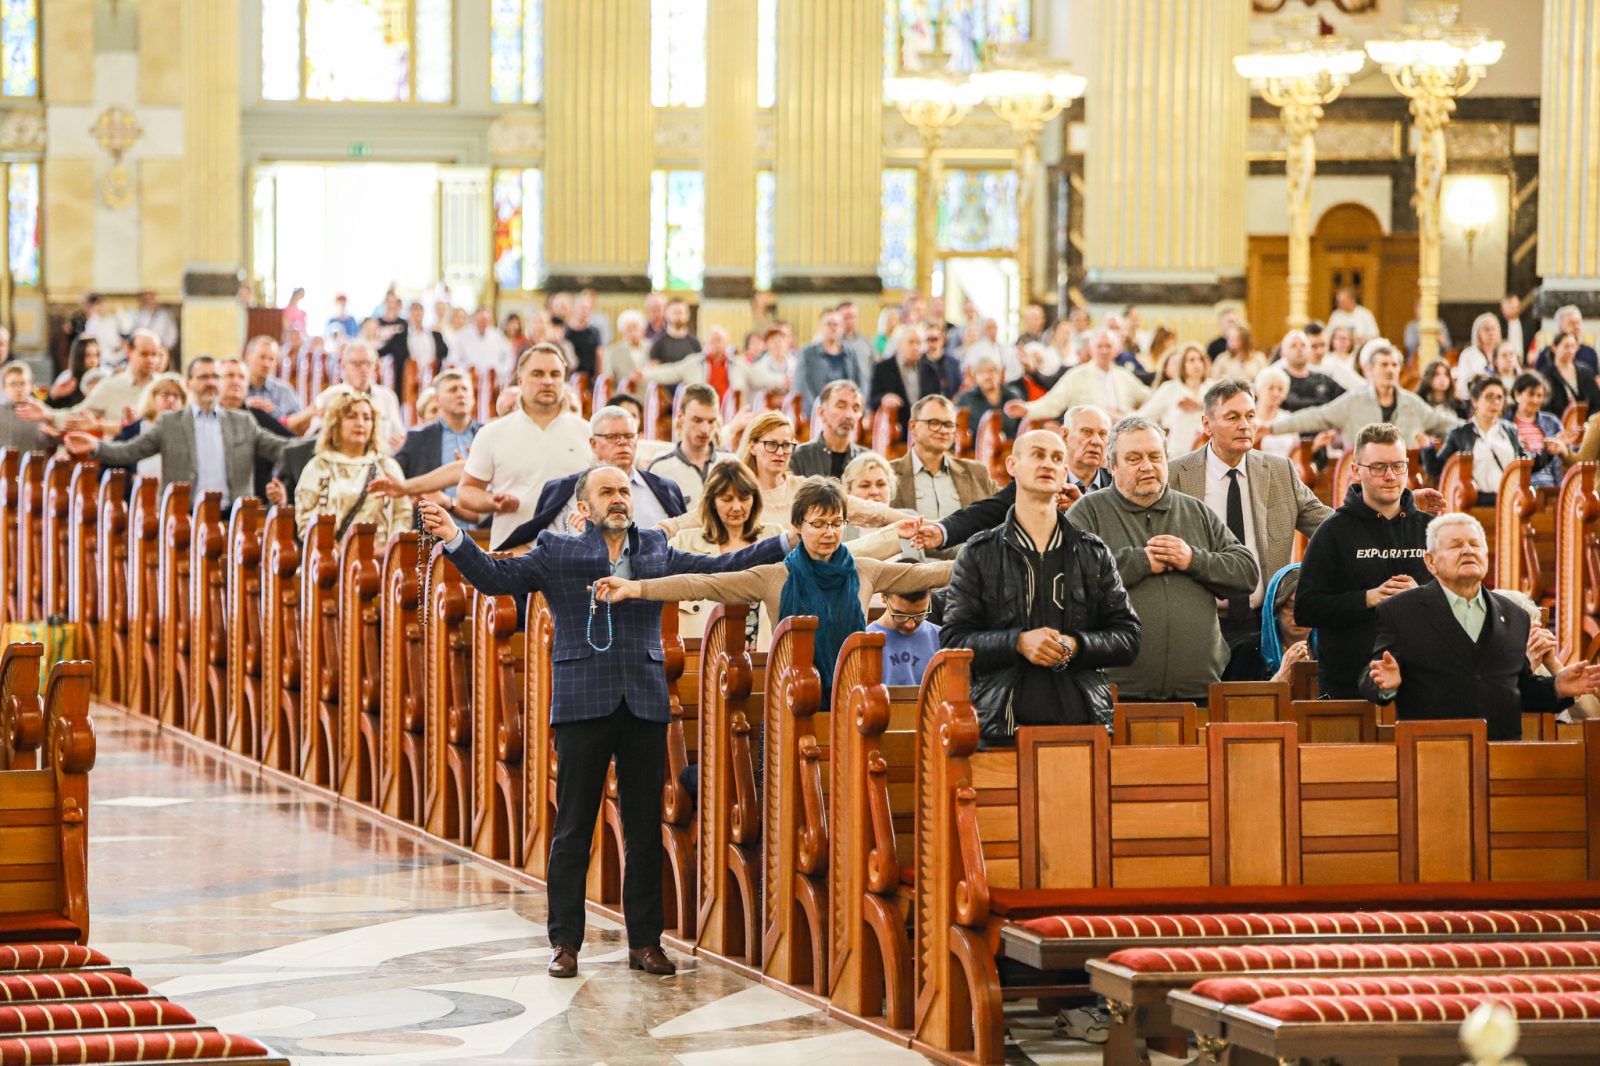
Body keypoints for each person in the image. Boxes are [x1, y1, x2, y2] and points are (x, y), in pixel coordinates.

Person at [418, 467, 792, 979]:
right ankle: (565, 943)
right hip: (582, 700)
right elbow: (495, 578)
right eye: (607, 492)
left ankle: (645, 943)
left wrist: (788, 540)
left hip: (643, 700)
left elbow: (721, 566)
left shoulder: (656, 552)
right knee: (573, 828)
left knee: (643, 829)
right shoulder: (559, 549)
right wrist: (455, 537)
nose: (619, 500)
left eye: (623, 491)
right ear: (585, 505)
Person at [595, 477, 951, 698]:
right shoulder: (775, 576)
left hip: (851, 699)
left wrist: (995, 552)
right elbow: (704, 584)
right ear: (798, 525)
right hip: (790, 701)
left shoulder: (865, 571)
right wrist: (636, 588)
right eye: (818, 524)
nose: (828, 532)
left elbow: (933, 574)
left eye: (836, 523)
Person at [940, 429, 1141, 742]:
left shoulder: (1092, 551)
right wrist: (1018, 643)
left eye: (1057, 458)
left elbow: (1128, 637)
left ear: (1064, 475)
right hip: (1002, 726)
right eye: (1037, 454)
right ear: (1012, 465)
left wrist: (1076, 645)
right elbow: (953, 640)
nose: (1048, 463)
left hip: (1082, 724)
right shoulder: (979, 553)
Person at [1066, 416, 1257, 703]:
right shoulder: (1088, 511)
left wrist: (1192, 559)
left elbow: (1246, 573)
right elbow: (1070, 576)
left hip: (1200, 693)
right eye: (1133, 458)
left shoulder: (1195, 511)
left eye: (1155, 456)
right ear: (1112, 466)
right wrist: (1141, 561)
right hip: (1115, 694)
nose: (1147, 466)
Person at [1361, 513, 1600, 740]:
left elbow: (1518, 690)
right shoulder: (1400, 611)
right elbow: (1370, 678)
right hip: (1432, 756)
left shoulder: (1515, 614)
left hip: (1501, 758)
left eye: (1475, 545)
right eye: (1455, 546)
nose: (1467, 550)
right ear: (1431, 562)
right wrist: (1384, 684)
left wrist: (1557, 687)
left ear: (1486, 555)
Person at [1167, 380, 1332, 680]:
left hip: (1264, 626)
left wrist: (1391, 511)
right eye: (1232, 417)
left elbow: (1329, 526)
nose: (1245, 425)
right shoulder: (1176, 475)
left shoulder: (1279, 471)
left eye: (1250, 416)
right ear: (1207, 424)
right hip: (1198, 625)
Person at [1294, 422, 1437, 699]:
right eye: (1378, 467)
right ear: (1356, 471)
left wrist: (1420, 597)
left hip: (1422, 683)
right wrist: (1367, 598)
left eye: (1398, 465)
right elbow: (1305, 609)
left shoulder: (1431, 530)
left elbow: (1458, 601)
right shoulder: (1332, 532)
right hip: (1348, 687)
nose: (1390, 476)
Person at [65, 356, 288, 507]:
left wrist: (318, 445)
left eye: (215, 377)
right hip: (184, 514)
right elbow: (130, 451)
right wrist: (96, 446)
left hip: (233, 515)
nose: (210, 382)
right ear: (190, 384)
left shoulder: (242, 421)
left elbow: (279, 448)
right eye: (203, 377)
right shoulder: (170, 423)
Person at [911, 405, 1114, 554]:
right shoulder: (1042, 480)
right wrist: (942, 530)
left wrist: (1079, 507)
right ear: (1065, 434)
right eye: (1087, 432)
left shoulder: (1117, 485)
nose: (1095, 441)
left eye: (1103, 434)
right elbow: (985, 512)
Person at [457, 343, 593, 545]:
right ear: (520, 381)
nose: (547, 381)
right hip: (513, 555)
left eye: (555, 374)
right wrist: (491, 501)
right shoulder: (492, 433)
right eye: (537, 374)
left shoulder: (588, 433)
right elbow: (466, 492)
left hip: (576, 555)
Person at [498, 405, 686, 549]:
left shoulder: (665, 489)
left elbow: (684, 542)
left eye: (629, 436)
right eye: (613, 436)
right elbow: (546, 548)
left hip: (652, 588)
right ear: (594, 444)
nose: (623, 443)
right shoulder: (562, 491)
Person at [668, 458, 783, 646]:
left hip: (764, 652)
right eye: (727, 499)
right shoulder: (684, 542)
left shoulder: (776, 536)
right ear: (712, 501)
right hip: (703, 655)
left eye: (744, 498)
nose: (737, 507)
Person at [1269, 340, 1459, 448]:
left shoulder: (1413, 404)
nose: (1390, 370)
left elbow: (1446, 424)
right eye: (1384, 365)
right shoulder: (1353, 402)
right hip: (1362, 486)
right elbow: (1316, 416)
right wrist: (1271, 429)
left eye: (1394, 365)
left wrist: (1480, 427)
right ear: (1368, 369)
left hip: (1405, 486)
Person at [293, 391, 411, 545]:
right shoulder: (319, 466)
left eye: (367, 418)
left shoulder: (387, 467)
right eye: (352, 416)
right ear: (336, 422)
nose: (360, 423)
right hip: (330, 562)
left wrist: (391, 549)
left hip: (381, 561)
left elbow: (402, 514)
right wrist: (332, 551)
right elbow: (306, 521)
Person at [1424, 376, 1545, 504]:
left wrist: (1547, 452)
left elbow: (1527, 464)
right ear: (1475, 401)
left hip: (1508, 501)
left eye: (1499, 397)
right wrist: (1427, 447)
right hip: (1474, 501)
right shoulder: (1460, 433)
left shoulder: (1510, 431)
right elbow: (1436, 468)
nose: (1495, 402)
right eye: (1489, 397)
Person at [386, 367, 485, 523]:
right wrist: (410, 496)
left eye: (465, 389)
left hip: (482, 529)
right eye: (453, 389)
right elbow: (394, 475)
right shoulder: (418, 437)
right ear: (438, 399)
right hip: (433, 531)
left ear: (473, 396)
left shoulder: (487, 435)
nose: (460, 394)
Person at [889, 395, 995, 522]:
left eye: (949, 424)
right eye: (934, 423)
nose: (943, 430)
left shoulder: (976, 472)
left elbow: (1006, 507)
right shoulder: (889, 474)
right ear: (913, 426)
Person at [1006, 329, 1150, 423]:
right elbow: (1054, 401)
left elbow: (1151, 398)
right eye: (1100, 346)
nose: (1104, 351)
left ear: (1116, 350)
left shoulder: (1123, 376)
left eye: (1108, 346)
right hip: (1088, 433)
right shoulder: (1077, 374)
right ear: (1091, 349)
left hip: (1121, 433)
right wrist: (1027, 409)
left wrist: (1131, 414)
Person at [217, 357, 295, 499]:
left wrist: (283, 487)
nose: (236, 381)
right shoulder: (206, 419)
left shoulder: (258, 417)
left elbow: (292, 447)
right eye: (229, 375)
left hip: (255, 503)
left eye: (242, 377)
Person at [311, 341, 405, 453]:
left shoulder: (387, 397)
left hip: (381, 461)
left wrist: (402, 445)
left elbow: (399, 438)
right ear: (343, 366)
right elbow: (315, 438)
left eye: (368, 364)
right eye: (357, 364)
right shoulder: (330, 397)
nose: (364, 369)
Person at [645, 383, 729, 508]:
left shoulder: (731, 464)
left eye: (711, 421)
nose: (705, 429)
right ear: (680, 417)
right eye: (697, 420)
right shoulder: (659, 469)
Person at [109, 373, 188, 483]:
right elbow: (108, 467)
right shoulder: (134, 430)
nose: (171, 400)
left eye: (176, 396)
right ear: (152, 398)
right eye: (165, 394)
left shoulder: (189, 432)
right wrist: (131, 479)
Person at [869, 325, 943, 434]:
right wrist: (884, 398)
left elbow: (938, 399)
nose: (915, 347)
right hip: (894, 430)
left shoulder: (930, 370)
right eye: (911, 342)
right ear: (898, 344)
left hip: (925, 431)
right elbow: (872, 399)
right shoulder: (882, 368)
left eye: (919, 343)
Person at [1137, 343, 1210, 452]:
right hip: (1177, 452)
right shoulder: (1170, 388)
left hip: (1206, 450)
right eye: (1191, 360)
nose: (1197, 364)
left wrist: (1202, 405)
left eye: (1200, 359)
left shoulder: (1213, 387)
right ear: (1182, 364)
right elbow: (1144, 416)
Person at [791, 380, 868, 479]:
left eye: (856, 409)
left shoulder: (866, 459)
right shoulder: (799, 457)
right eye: (841, 406)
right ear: (822, 412)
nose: (850, 415)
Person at [1507, 373, 1572, 488]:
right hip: (1517, 484)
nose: (1535, 400)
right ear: (1517, 394)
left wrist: (1562, 449)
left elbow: (1568, 457)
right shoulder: (1505, 424)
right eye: (1531, 394)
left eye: (1539, 395)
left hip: (1551, 482)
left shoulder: (1552, 422)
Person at [796, 309, 870, 410]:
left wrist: (859, 408)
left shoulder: (851, 352)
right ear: (820, 327)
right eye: (829, 324)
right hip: (816, 411)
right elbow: (800, 385)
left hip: (846, 411)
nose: (833, 328)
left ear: (842, 328)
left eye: (836, 324)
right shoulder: (807, 352)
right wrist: (817, 410)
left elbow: (861, 382)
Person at [869, 588, 941, 687]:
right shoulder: (864, 641)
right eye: (900, 615)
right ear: (883, 596)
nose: (910, 625)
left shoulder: (941, 638)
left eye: (920, 615)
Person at [1260, 563, 1313, 684]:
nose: (1298, 616)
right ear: (1275, 608)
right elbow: (1242, 702)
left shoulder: (1329, 651)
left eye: (1307, 607)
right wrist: (1281, 676)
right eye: (1290, 607)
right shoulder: (1248, 653)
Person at [241, 335, 308, 429]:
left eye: (271, 359)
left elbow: (301, 423)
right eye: (262, 357)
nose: (266, 364)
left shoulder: (284, 391)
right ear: (247, 356)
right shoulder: (235, 387)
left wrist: (276, 413)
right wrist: (243, 407)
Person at [1273, 329, 1345, 412]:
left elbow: (1346, 399)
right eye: (1293, 346)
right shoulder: (1277, 381)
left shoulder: (1323, 379)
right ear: (1283, 353)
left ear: (1309, 350)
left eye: (1303, 345)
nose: (1299, 349)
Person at [955, 352, 1024, 438]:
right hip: (976, 450)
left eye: (992, 371)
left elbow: (1023, 427)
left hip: (1010, 448)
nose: (987, 376)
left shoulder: (1013, 396)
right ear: (974, 376)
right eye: (981, 372)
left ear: (1000, 373)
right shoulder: (965, 399)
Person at [1540, 330, 1600, 417]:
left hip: (1586, 423)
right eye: (1566, 346)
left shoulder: (1586, 372)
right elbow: (1545, 407)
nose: (1570, 350)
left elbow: (1596, 402)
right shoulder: (1546, 374)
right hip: (1559, 423)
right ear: (1554, 347)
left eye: (1573, 346)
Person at [0, 362, 55, 453]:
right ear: (4, 387)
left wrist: (52, 438)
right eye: (13, 384)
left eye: (22, 384)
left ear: (31, 385)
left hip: (36, 464)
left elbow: (56, 443)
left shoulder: (42, 412)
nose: (18, 389)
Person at [1534, 305, 1600, 374]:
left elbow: (1596, 380)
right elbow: (1538, 381)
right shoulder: (1547, 354)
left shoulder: (1590, 352)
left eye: (1578, 323)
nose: (1577, 327)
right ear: (1560, 327)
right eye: (1571, 323)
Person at [450, 306, 515, 376]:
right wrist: (467, 370)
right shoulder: (461, 336)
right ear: (474, 319)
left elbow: (509, 357)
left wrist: (500, 370)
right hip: (469, 378)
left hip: (493, 380)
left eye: (486, 320)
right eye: (481, 320)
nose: (483, 323)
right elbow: (454, 360)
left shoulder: (497, 336)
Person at [1453, 313, 1502, 400]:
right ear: (1478, 332)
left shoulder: (1504, 352)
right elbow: (1464, 385)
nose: (1491, 333)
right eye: (1487, 329)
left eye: (1494, 329)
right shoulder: (1468, 355)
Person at [47, 336, 100, 409]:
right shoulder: (67, 377)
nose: (93, 361)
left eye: (96, 355)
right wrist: (54, 395)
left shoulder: (104, 377)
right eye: (88, 356)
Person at [648, 298, 701, 364]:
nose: (678, 316)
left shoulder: (695, 343)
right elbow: (653, 370)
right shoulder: (658, 342)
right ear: (666, 315)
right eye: (675, 312)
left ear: (687, 315)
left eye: (681, 312)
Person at [604, 310, 651, 382]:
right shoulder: (612, 351)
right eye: (628, 329)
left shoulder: (651, 347)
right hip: (623, 391)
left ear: (642, 329)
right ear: (622, 331)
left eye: (635, 328)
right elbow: (608, 378)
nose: (633, 332)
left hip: (648, 392)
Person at [922, 318, 964, 398]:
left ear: (942, 339)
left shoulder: (953, 363)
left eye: (934, 339)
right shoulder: (918, 363)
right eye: (928, 339)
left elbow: (959, 386)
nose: (931, 343)